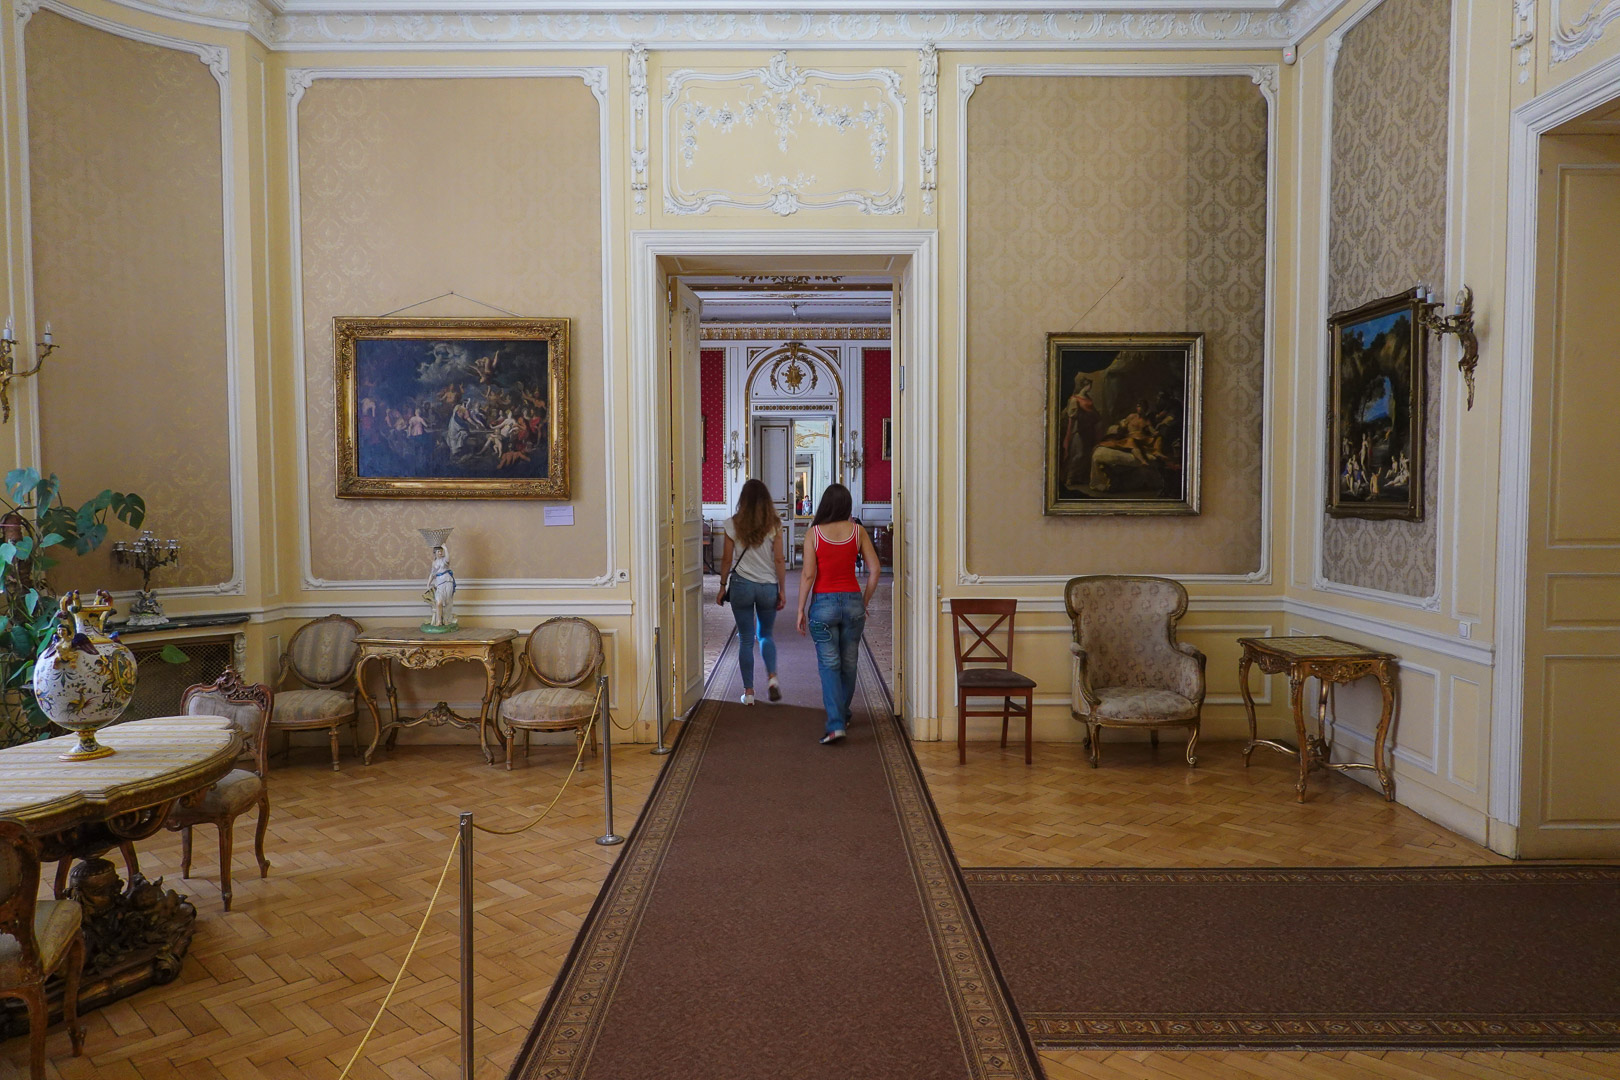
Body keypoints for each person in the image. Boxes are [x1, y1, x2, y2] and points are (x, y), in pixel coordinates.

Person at [795, 483, 881, 744]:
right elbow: (875, 570)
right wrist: (864, 600)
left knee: (829, 665)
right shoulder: (858, 532)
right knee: (849, 663)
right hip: (853, 602)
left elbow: (808, 575)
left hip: (824, 606)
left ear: (825, 505)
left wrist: (800, 609)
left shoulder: (814, 534)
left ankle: (836, 724)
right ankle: (842, 714)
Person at [717, 478, 787, 705]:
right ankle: (772, 678)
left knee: (746, 639)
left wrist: (722, 586)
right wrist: (782, 590)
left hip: (741, 586)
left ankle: (748, 693)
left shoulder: (732, 524)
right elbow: (779, 559)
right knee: (765, 635)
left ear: (743, 500)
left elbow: (726, 559)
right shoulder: (774, 524)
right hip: (767, 586)